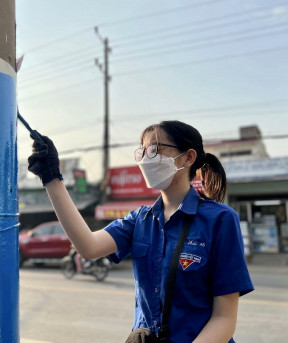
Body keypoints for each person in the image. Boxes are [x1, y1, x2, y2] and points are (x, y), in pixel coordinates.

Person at [28, 120, 254, 342]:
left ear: (188, 157)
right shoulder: (139, 220)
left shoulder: (220, 219)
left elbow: (224, 319)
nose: (147, 159)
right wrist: (52, 179)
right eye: (143, 152)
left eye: (155, 149)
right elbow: (88, 246)